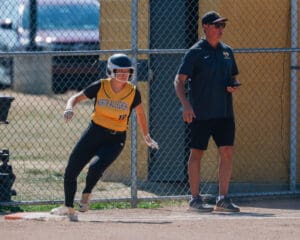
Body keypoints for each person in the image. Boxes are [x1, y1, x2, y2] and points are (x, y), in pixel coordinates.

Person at [50, 53, 159, 221]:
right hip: (94, 132)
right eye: (119, 71)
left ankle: (86, 194)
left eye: (127, 71)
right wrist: (69, 108)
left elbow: (140, 114)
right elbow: (75, 98)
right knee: (71, 169)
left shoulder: (132, 92)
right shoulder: (100, 86)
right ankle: (68, 208)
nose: (123, 75)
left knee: (95, 167)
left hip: (116, 139)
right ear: (110, 71)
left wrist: (146, 136)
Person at [174, 11, 240, 212]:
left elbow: (233, 77)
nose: (221, 29)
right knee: (197, 153)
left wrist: (233, 85)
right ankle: (195, 198)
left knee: (227, 152)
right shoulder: (195, 52)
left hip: (224, 112)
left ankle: (223, 198)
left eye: (223, 26)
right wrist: (186, 104)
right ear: (206, 27)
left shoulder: (227, 51)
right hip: (201, 113)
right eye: (217, 26)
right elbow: (179, 80)